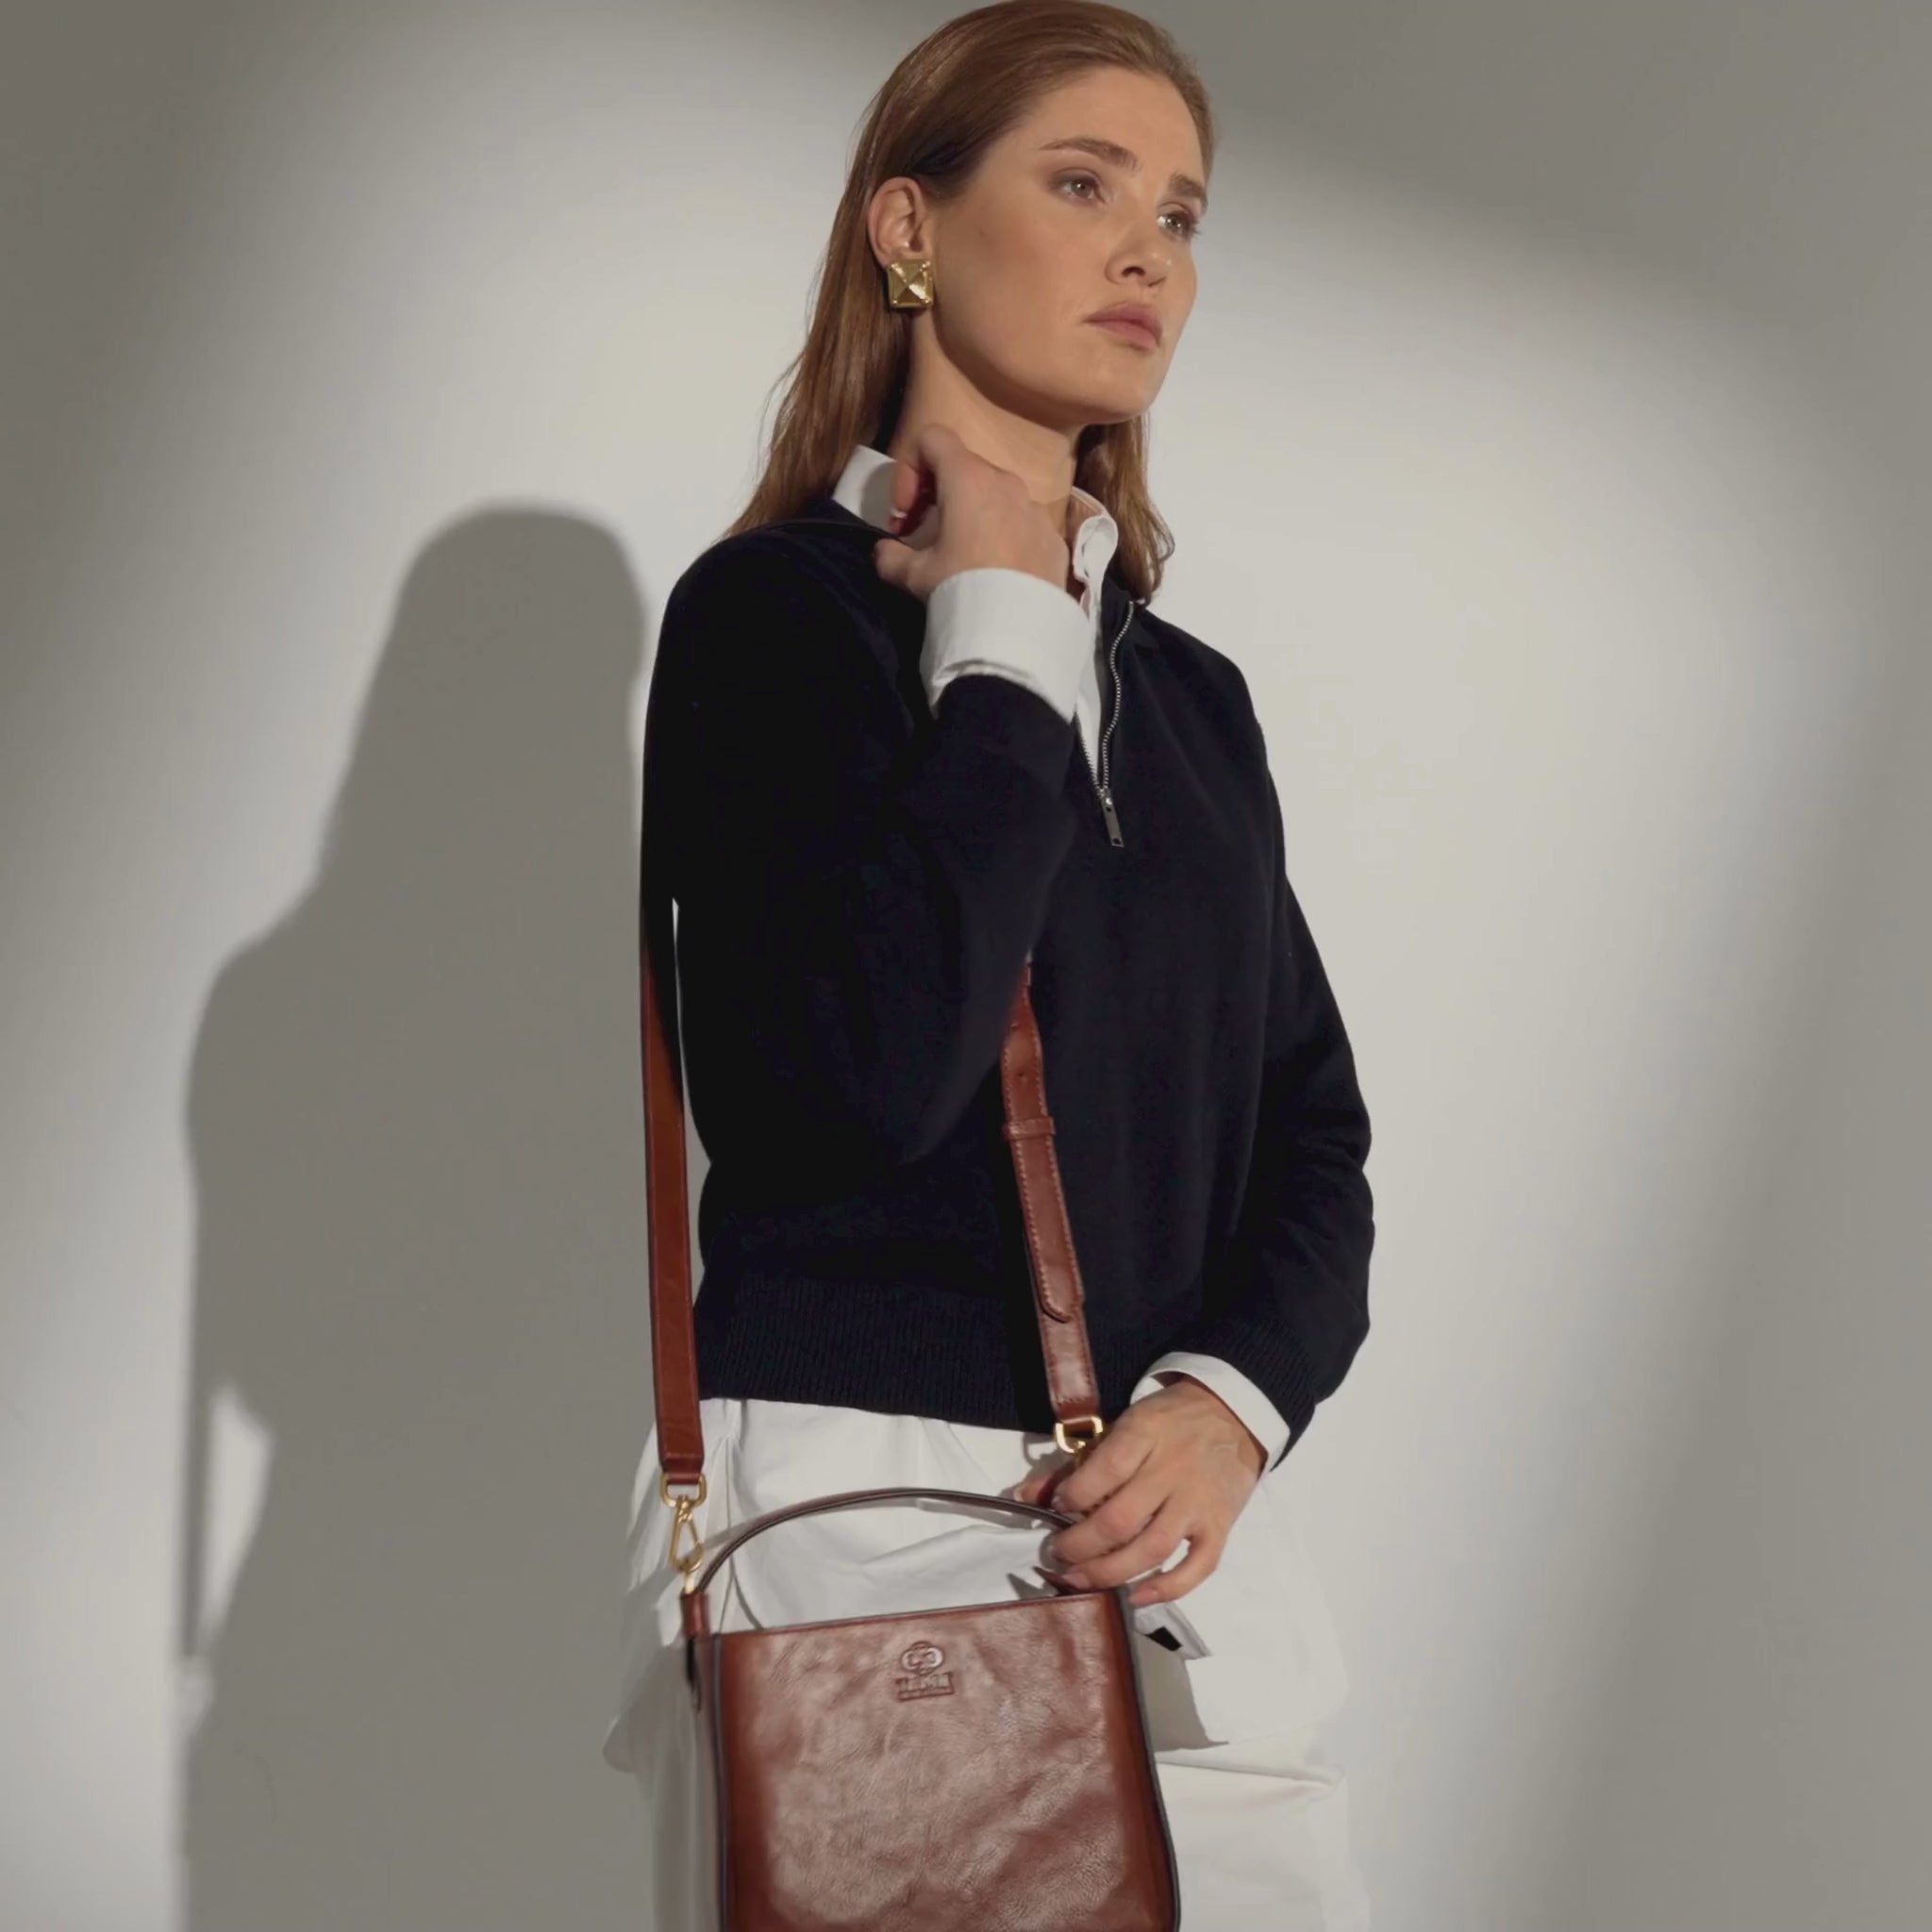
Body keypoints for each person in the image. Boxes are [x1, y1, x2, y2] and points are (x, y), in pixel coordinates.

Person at [606, 8, 1375, 1925]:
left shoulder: (1189, 699)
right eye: (1083, 183)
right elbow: (847, 1086)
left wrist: (1227, 1401)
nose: (1147, 254)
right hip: (877, 1549)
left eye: (1180, 215)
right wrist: (1002, 630)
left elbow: (1310, 1130)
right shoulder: (776, 619)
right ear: (910, 230)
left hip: (1186, 1571)